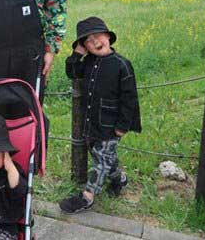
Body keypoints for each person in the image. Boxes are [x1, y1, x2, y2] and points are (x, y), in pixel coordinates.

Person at [59, 16, 142, 213]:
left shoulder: (122, 64)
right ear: (84, 46)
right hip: (92, 122)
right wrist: (76, 53)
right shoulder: (87, 62)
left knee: (101, 158)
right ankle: (119, 179)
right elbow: (72, 72)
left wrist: (123, 125)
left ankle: (88, 195)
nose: (95, 41)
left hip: (112, 124)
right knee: (103, 156)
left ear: (108, 36)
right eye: (88, 40)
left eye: (98, 36)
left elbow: (129, 98)